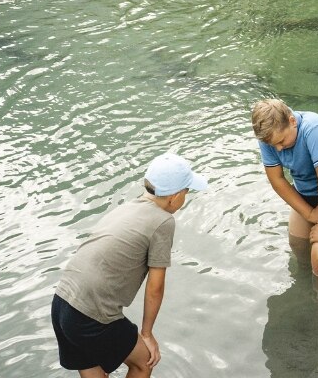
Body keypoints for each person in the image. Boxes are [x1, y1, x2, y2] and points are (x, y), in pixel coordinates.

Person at [51, 152, 208, 377]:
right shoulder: (163, 221)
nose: (185, 197)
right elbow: (156, 286)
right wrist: (147, 334)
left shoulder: (126, 208)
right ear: (174, 196)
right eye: (187, 191)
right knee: (144, 362)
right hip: (92, 312)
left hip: (62, 303)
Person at [252, 99, 318, 326]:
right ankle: (309, 292)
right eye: (272, 144)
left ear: (291, 121)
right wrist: (308, 214)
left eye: (281, 141)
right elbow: (277, 180)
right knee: (298, 243)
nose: (278, 148)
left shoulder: (314, 130)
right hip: (307, 192)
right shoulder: (269, 135)